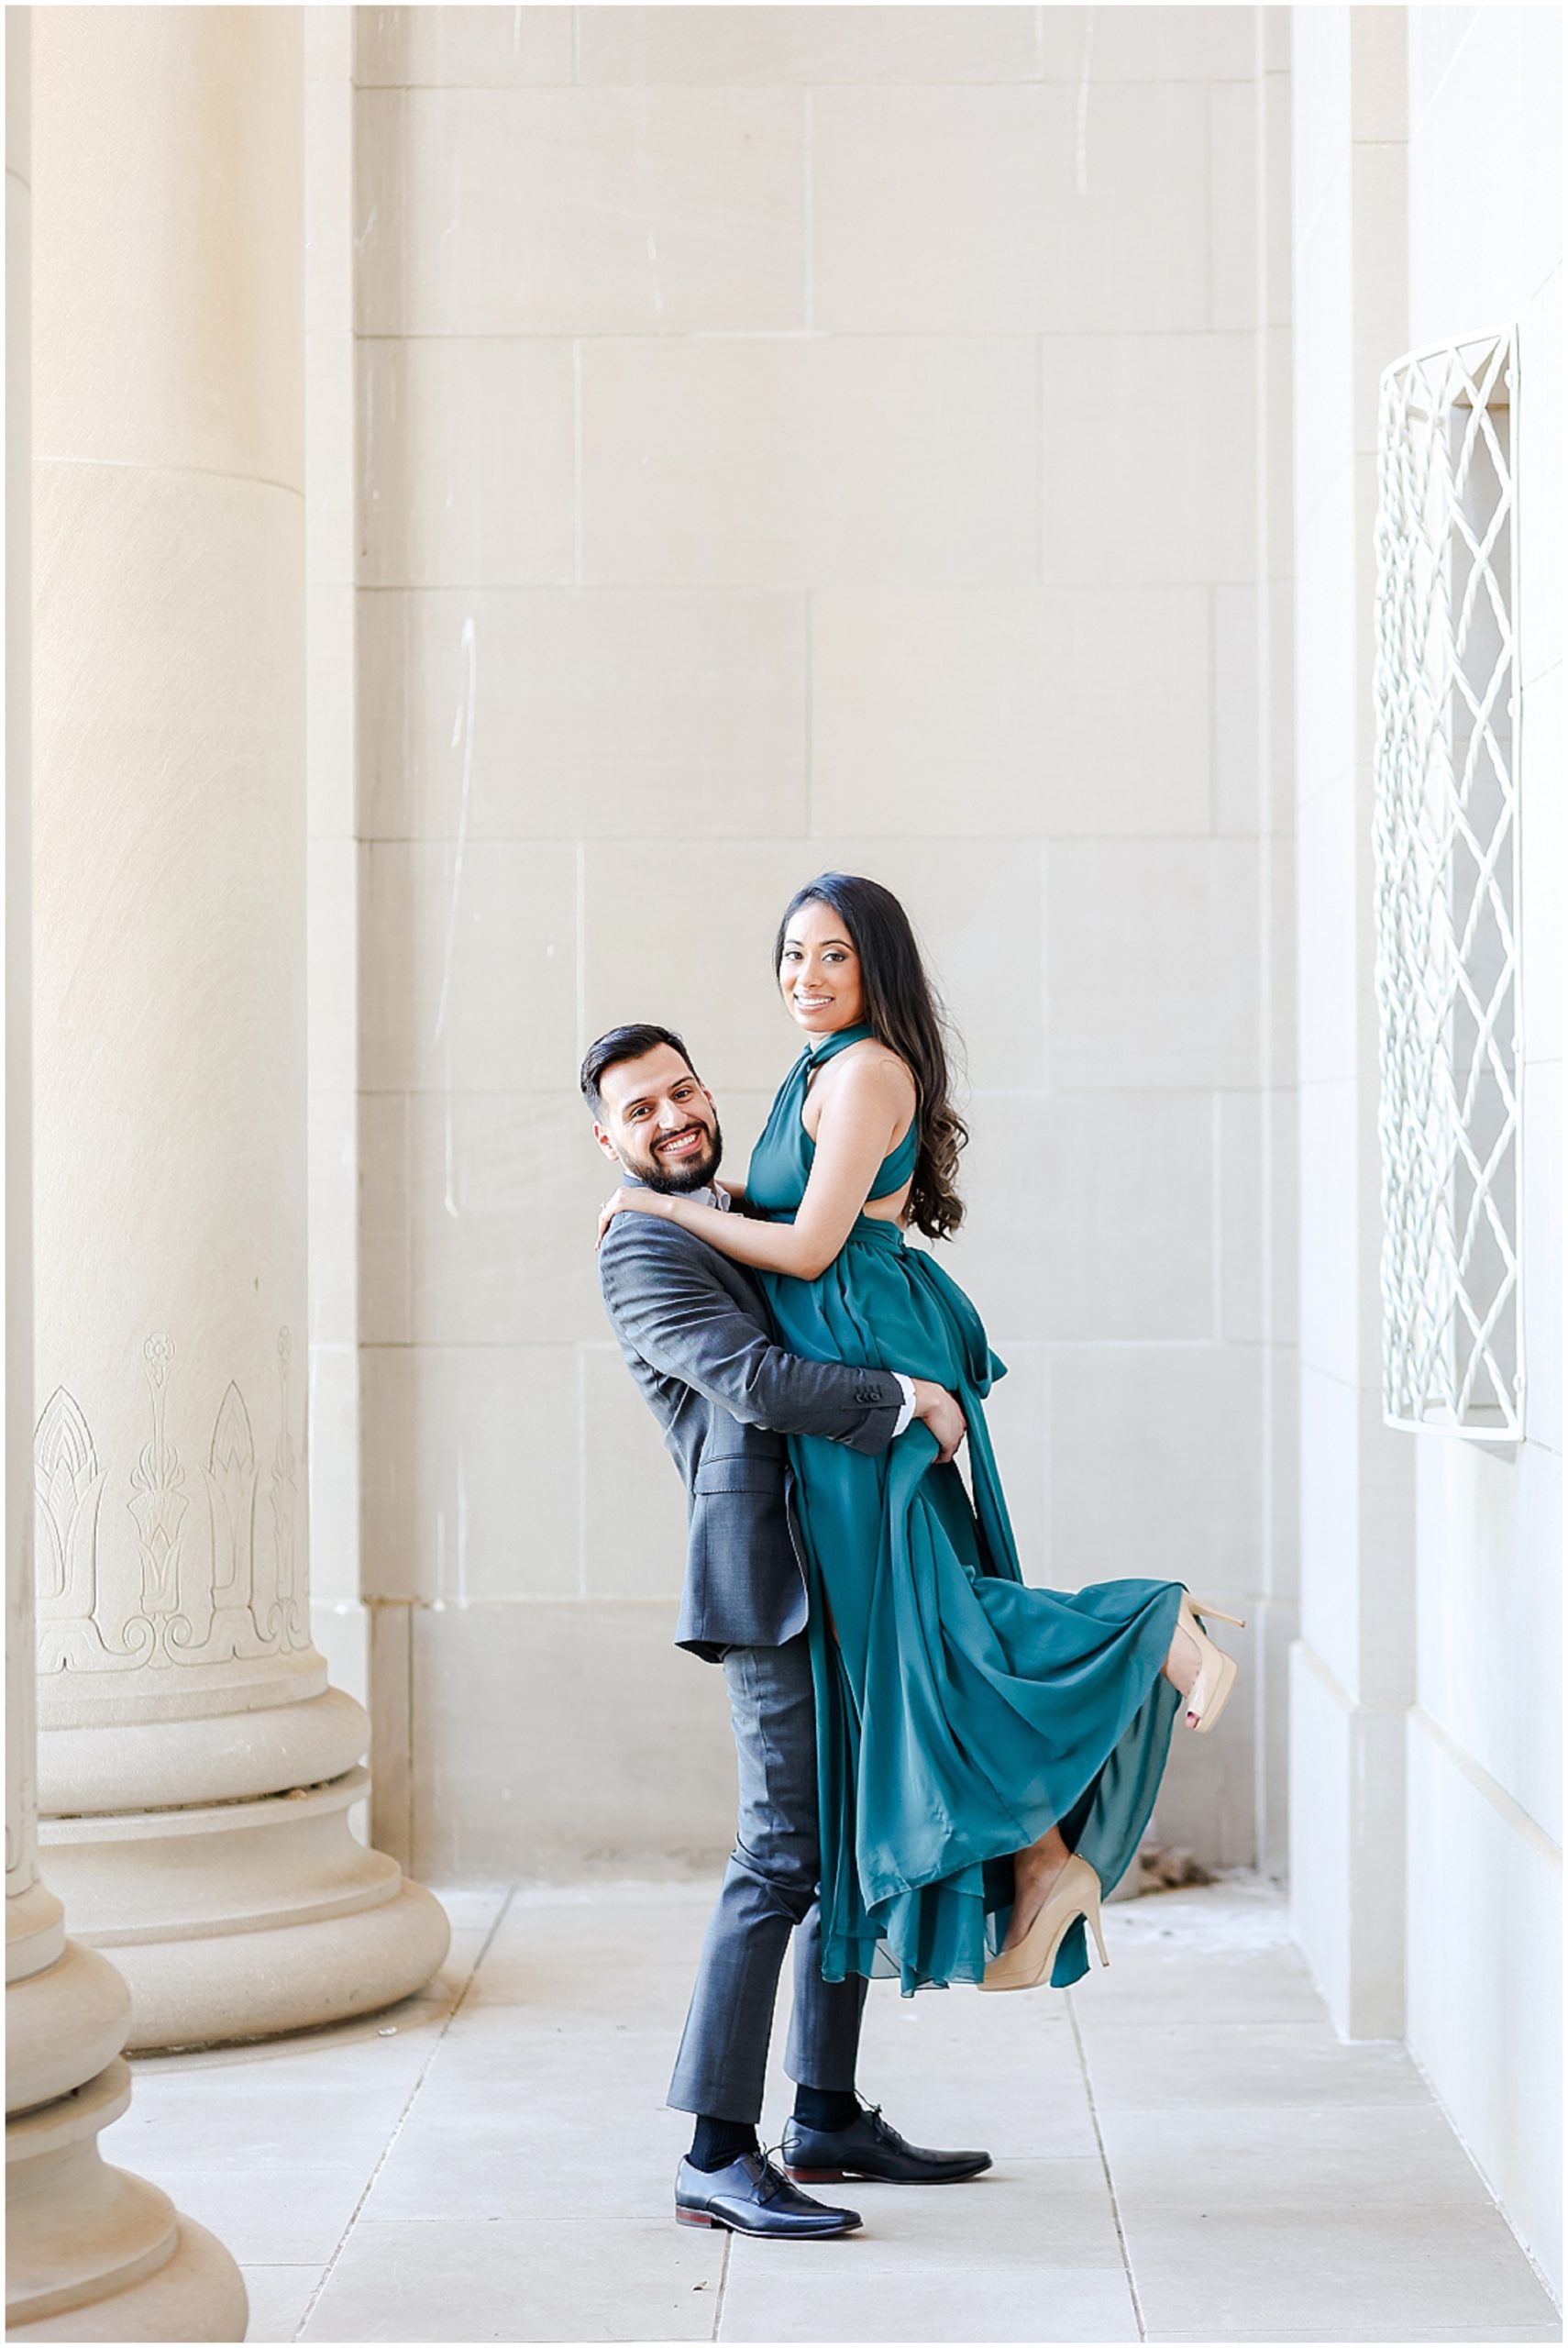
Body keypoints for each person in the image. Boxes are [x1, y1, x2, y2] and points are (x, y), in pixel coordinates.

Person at [596, 874, 1243, 2007]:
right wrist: (685, 1200)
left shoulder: (865, 1069)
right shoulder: (826, 1070)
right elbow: (795, 1204)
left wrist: (658, 1206)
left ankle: (1151, 1624)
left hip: (862, 1340)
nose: (806, 976)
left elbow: (801, 1248)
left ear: (875, 965)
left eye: (832, 955)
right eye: (791, 955)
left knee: (921, 1614)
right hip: (856, 1341)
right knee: (918, 1620)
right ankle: (1041, 1862)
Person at [583, 1022, 995, 2243]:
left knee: (837, 1852)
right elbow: (758, 1380)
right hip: (764, 1581)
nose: (671, 1118)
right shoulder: (641, 1252)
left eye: (682, 1090)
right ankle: (714, 2152)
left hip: (844, 1554)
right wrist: (903, 1396)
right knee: (777, 1855)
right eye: (639, 1111)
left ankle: (823, 2114)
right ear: (606, 1140)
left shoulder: (733, 1207)